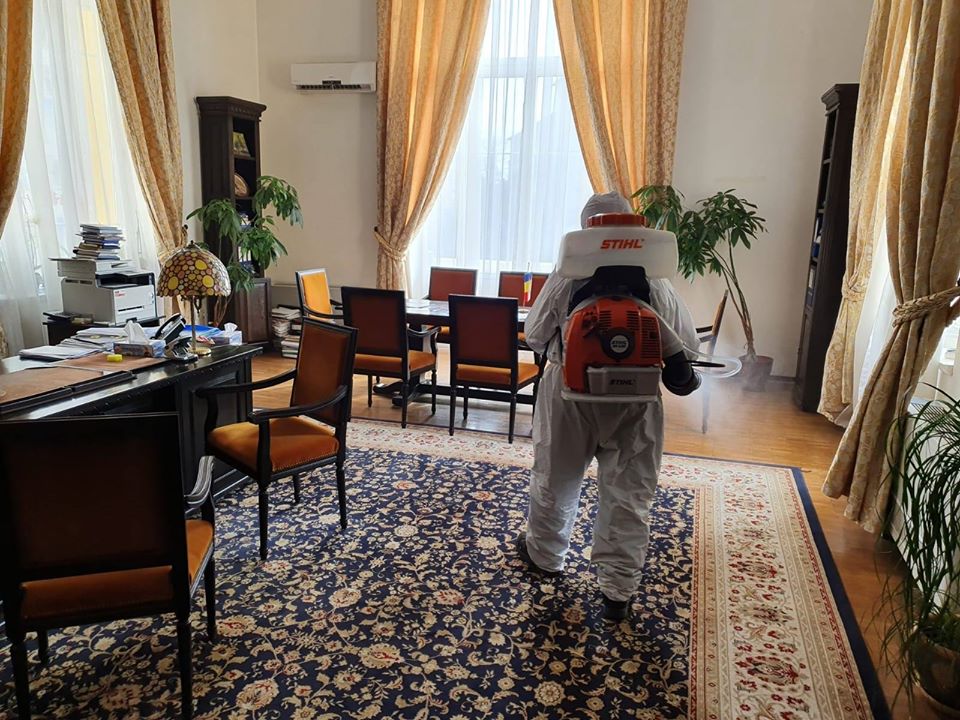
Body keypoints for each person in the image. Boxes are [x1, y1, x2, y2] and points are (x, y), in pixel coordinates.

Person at [518, 191, 699, 621]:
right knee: (629, 493)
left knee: (556, 478)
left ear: (586, 229)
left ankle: (546, 558)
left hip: (568, 393)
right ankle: (618, 590)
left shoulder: (566, 275)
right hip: (637, 399)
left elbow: (536, 335)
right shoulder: (658, 281)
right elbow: (687, 345)